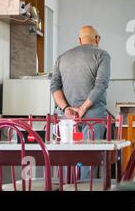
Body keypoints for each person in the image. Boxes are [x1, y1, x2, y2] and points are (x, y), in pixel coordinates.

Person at [50, 25, 111, 179]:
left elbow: (54, 87)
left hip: (67, 118)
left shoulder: (62, 58)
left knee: (65, 157)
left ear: (79, 40)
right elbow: (101, 85)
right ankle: (85, 188)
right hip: (93, 115)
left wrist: (66, 109)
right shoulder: (102, 55)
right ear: (97, 39)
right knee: (87, 157)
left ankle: (65, 187)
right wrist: (83, 109)